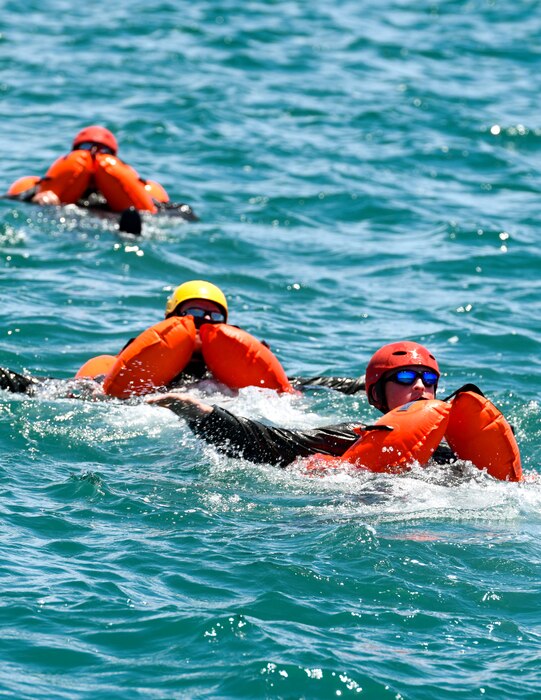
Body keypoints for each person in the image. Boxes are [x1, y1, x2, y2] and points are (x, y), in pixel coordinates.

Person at [0, 280, 365, 398]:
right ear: (172, 320)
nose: (203, 323)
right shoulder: (144, 360)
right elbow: (60, 390)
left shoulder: (236, 370)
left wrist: (359, 386)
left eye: (214, 317)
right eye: (192, 314)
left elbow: (311, 384)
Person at [145, 340, 451, 467]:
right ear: (377, 394)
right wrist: (203, 415)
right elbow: (276, 445)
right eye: (406, 377)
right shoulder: (354, 436)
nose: (420, 386)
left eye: (428, 379)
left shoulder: (454, 447)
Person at [5, 125, 197, 230]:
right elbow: (9, 204)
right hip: (65, 218)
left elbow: (183, 214)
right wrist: (34, 198)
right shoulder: (39, 187)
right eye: (87, 149)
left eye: (103, 151)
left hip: (113, 221)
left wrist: (150, 209)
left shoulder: (145, 189)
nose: (94, 155)